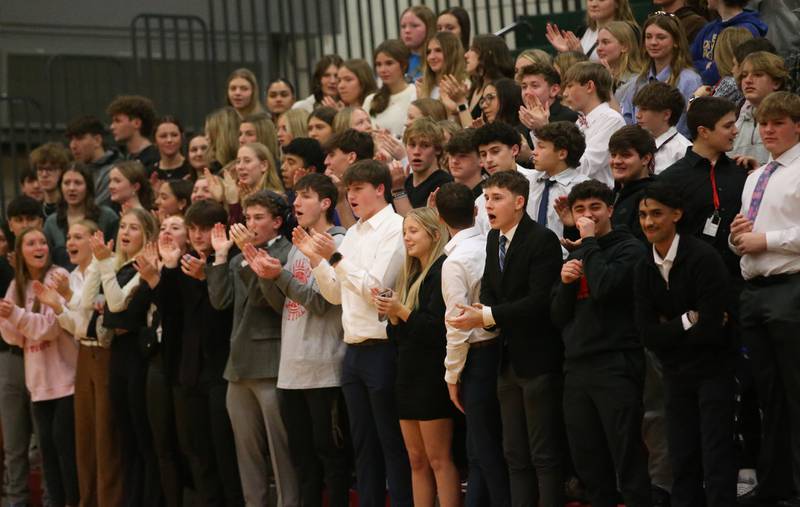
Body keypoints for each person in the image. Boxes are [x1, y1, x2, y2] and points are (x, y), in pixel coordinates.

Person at [449, 170, 566, 507]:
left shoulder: (542, 239)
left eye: (496, 198)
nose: (488, 205)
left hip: (538, 360)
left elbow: (539, 301)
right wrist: (482, 312)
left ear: (519, 202)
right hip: (506, 359)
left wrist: (486, 316)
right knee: (514, 453)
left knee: (543, 453)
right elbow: (489, 289)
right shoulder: (492, 239)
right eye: (486, 198)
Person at [303, 160, 413, 507]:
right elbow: (336, 294)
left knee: (390, 442)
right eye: (348, 190)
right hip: (353, 350)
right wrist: (318, 262)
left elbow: (376, 289)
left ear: (380, 189)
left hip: (383, 347)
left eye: (358, 189)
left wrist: (333, 258)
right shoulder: (352, 233)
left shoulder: (396, 227)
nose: (351, 196)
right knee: (362, 444)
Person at [243, 174, 349, 507]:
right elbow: (284, 305)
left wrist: (280, 276)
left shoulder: (338, 243)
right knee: (302, 462)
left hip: (324, 368)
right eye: (295, 197)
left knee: (330, 458)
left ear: (326, 203)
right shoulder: (297, 245)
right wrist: (265, 277)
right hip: (291, 370)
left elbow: (321, 302)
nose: (296, 204)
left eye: (304, 197)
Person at [635, 181, 738, 507]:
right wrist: (688, 319)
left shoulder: (703, 258)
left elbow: (712, 329)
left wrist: (674, 328)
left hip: (713, 369)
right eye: (642, 215)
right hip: (674, 373)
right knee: (682, 455)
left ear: (676, 214)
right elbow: (646, 334)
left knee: (716, 453)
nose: (648, 222)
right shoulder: (642, 267)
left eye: (656, 214)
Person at [551, 180, 652, 507]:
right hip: (577, 367)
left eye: (595, 208)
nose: (587, 215)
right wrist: (566, 284)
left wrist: (588, 242)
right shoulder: (578, 253)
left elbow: (606, 286)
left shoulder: (630, 248)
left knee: (628, 459)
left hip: (616, 364)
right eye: (580, 209)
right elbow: (557, 316)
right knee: (588, 463)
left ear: (610, 210)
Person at [729, 91, 800, 507]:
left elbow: (775, 237)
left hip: (790, 289)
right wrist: (740, 237)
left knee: (794, 392)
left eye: (778, 122)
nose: (768, 130)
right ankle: (775, 485)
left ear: (797, 125)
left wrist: (764, 238)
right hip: (753, 291)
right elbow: (746, 239)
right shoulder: (757, 176)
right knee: (766, 395)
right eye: (763, 123)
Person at [207, 190, 299, 506]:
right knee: (246, 455)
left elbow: (266, 301)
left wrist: (249, 250)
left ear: (277, 221)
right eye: (247, 218)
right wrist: (220, 257)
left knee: (280, 451)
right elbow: (220, 301)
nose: (251, 223)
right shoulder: (238, 258)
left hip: (271, 361)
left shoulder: (287, 253)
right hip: (238, 364)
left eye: (258, 217)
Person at [368, 207, 459, 507]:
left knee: (438, 459)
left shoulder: (442, 269)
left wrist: (401, 312)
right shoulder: (410, 274)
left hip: (432, 377)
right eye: (405, 231)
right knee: (416, 460)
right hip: (406, 375)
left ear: (435, 235)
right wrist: (392, 317)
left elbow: (437, 331)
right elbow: (400, 337)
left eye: (414, 231)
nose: (407, 237)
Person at [157, 200, 244, 506]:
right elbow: (168, 314)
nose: (196, 235)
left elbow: (225, 313)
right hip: (190, 371)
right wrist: (168, 268)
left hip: (222, 370)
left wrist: (206, 277)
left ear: (220, 229)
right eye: (192, 228)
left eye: (204, 229)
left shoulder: (231, 261)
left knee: (225, 453)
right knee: (198, 452)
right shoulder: (185, 262)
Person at [35, 219, 125, 507]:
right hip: (84, 355)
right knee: (84, 438)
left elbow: (97, 319)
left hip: (108, 353)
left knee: (106, 438)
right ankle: (87, 500)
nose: (70, 243)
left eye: (78, 237)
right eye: (69, 237)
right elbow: (77, 326)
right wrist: (59, 305)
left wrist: (66, 302)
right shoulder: (71, 277)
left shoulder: (109, 268)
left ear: (94, 239)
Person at [435, 183, 510, 507]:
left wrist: (452, 375)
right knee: (482, 450)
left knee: (486, 450)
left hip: (478, 359)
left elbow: (457, 325)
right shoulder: (493, 245)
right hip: (504, 350)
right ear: (476, 210)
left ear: (439, 218)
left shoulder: (454, 262)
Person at [81, 207, 161, 506]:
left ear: (148, 236)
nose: (125, 232)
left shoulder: (146, 266)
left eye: (134, 228)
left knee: (143, 437)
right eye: (123, 226)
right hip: (117, 354)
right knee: (124, 437)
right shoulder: (117, 265)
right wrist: (97, 261)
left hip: (139, 357)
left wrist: (102, 263)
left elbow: (115, 305)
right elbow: (89, 302)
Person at [0, 227, 79, 507]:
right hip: (38, 385)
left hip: (66, 380)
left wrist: (17, 316)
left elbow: (50, 328)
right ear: (20, 252)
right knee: (47, 453)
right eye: (31, 243)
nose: (39, 247)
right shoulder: (17, 285)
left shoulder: (59, 277)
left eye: (43, 242)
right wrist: (15, 320)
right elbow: (11, 336)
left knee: (65, 451)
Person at [659, 96, 747, 279]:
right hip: (690, 281)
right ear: (704, 132)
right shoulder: (670, 179)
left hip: (736, 280)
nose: (735, 131)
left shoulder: (742, 173)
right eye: (728, 126)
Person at [0, 197, 43, 507]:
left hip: (45, 358)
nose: (25, 224)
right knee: (14, 444)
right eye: (18, 219)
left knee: (44, 443)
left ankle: (51, 499)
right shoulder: (5, 268)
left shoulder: (50, 266)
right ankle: (16, 501)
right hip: (10, 358)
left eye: (31, 218)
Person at [619, 13, 703, 137]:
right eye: (648, 37)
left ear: (676, 42)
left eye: (661, 37)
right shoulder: (637, 82)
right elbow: (627, 121)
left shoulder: (689, 80)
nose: (653, 42)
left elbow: (686, 127)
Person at [562, 61, 626, 187]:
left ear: (590, 86)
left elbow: (586, 165)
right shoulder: (579, 122)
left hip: (599, 196)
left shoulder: (612, 119)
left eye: (570, 86)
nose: (564, 93)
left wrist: (554, 164)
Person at [44, 163, 119, 269]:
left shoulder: (107, 216)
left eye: (78, 183)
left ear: (88, 187)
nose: (71, 188)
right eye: (66, 183)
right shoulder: (51, 222)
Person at [471, 122, 537, 235]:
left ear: (514, 150)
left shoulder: (537, 181)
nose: (488, 159)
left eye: (495, 151)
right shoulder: (481, 201)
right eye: (483, 154)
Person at [529, 121, 590, 240]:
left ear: (561, 154)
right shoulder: (529, 182)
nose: (534, 152)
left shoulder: (583, 188)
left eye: (541, 147)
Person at [442, 35, 515, 128]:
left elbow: (472, 134)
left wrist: (461, 102)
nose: (466, 55)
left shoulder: (500, 89)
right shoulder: (476, 87)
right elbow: (462, 130)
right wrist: (456, 109)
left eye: (472, 50)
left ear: (487, 55)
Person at [729, 51, 788, 165]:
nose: (748, 80)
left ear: (776, 82)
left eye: (758, 74)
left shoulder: (791, 118)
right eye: (744, 75)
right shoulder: (735, 119)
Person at [690, 0, 767, 85]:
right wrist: (707, 66)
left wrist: (705, 69)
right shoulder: (709, 28)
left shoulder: (746, 30)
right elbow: (688, 61)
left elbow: (727, 69)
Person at [605, 125, 657, 241]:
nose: (617, 161)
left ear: (645, 159)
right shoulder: (611, 195)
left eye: (625, 155)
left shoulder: (653, 198)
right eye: (613, 155)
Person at [546, 0, 640, 61]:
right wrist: (567, 53)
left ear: (617, 3)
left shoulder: (629, 32)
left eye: (601, 0)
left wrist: (580, 57)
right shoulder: (583, 30)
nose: (594, 4)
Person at [393, 118, 453, 213]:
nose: (416, 152)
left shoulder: (445, 185)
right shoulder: (406, 181)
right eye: (412, 145)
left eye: (425, 145)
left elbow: (416, 225)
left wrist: (398, 191)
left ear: (437, 149)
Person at [632, 82, 692, 174]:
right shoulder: (635, 144)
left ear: (666, 115)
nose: (637, 115)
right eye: (638, 109)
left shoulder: (684, 151)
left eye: (644, 109)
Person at [363, 40, 417, 139]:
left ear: (404, 65)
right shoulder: (370, 100)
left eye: (389, 63)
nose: (383, 70)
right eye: (378, 64)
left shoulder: (416, 93)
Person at [65, 116, 122, 208]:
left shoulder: (115, 171)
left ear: (97, 140)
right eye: (71, 139)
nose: (73, 145)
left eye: (79, 138)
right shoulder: (73, 170)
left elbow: (96, 209)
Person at [322, 129, 375, 228]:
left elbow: (359, 239)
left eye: (331, 155)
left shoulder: (372, 191)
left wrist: (341, 201)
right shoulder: (336, 188)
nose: (326, 162)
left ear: (351, 157)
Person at [517, 62, 581, 143]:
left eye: (535, 86)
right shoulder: (522, 120)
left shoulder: (570, 118)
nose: (527, 92)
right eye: (524, 87)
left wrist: (543, 128)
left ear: (554, 90)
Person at [691, 27, 752, 105]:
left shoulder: (730, 83)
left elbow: (697, 113)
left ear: (721, 54)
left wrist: (695, 96)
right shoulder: (731, 82)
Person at [106, 95, 160, 167]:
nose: (112, 127)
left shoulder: (155, 159)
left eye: (117, 121)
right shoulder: (117, 157)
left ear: (136, 123)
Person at [596, 21, 645, 97]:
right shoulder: (595, 79)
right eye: (597, 43)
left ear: (625, 46)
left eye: (605, 42)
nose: (598, 48)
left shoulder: (638, 82)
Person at [417, 31, 466, 104]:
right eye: (428, 52)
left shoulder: (464, 86)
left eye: (438, 50)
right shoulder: (421, 88)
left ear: (452, 54)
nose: (431, 57)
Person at [29, 142, 69, 216]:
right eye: (40, 169)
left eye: (50, 169)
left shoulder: (70, 209)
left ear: (62, 171)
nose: (44, 174)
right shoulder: (33, 211)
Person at [400, 5, 436, 82]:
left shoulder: (438, 58)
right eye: (403, 26)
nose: (407, 30)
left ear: (429, 28)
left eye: (414, 26)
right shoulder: (396, 59)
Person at [150, 116, 192, 182]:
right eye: (163, 136)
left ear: (182, 138)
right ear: (155, 141)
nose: (169, 140)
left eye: (174, 135)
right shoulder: (149, 173)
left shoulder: (192, 169)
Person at [445, 131, 484, 199]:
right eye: (451, 155)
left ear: (481, 159)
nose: (454, 161)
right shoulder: (444, 194)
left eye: (462, 156)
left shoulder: (488, 196)